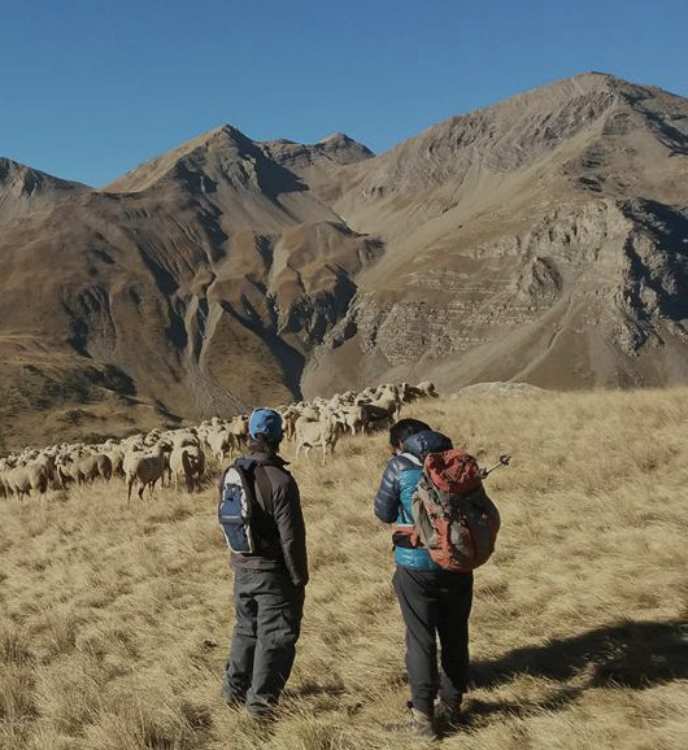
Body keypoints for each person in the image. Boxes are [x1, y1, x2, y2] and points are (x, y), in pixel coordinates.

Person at [374, 419, 474, 739]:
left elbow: (383, 512)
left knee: (420, 639)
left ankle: (423, 719)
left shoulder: (398, 468)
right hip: (458, 564)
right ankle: (453, 706)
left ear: (402, 444)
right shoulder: (457, 465)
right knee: (456, 634)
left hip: (415, 567)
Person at [221, 408, 308, 720]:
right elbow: (292, 538)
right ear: (279, 436)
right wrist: (299, 577)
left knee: (246, 629)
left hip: (241, 566)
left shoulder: (234, 473)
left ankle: (233, 692)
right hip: (273, 572)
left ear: (249, 435)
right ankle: (260, 708)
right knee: (275, 636)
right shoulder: (281, 481)